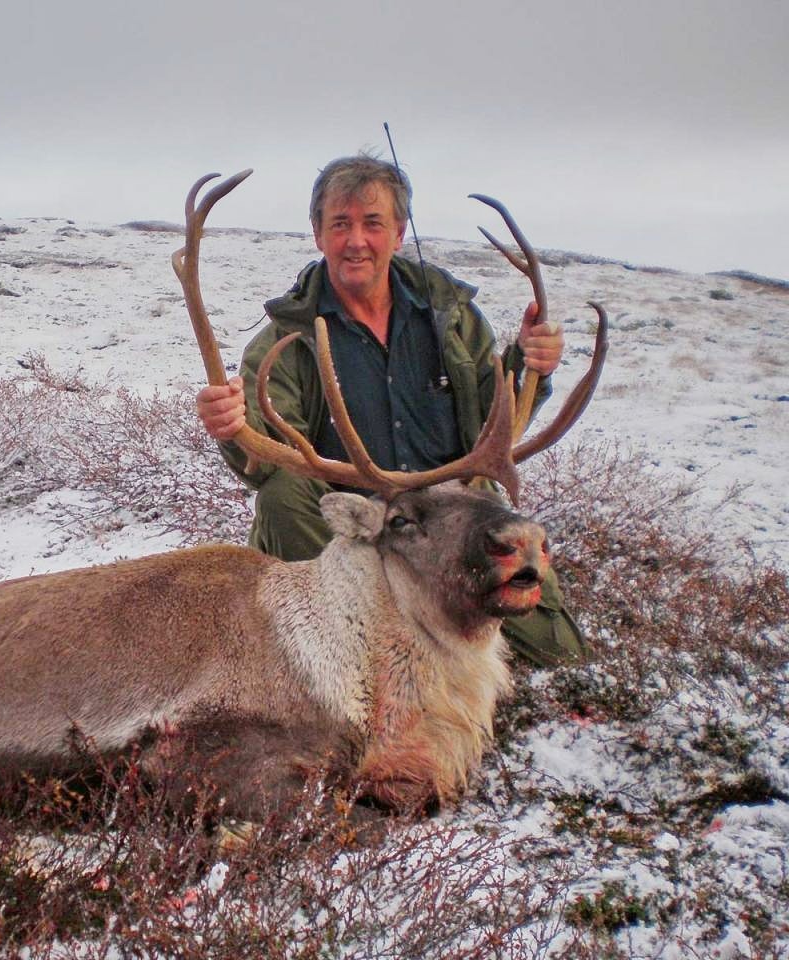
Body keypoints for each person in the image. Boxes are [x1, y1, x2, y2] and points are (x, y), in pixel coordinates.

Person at [195, 153, 585, 667]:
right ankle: (349, 655)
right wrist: (232, 427)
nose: (356, 241)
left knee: (561, 657)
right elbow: (266, 463)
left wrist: (530, 364)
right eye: (340, 224)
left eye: (373, 223)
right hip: (352, 529)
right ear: (318, 234)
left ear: (399, 233)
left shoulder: (453, 320)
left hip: (448, 515)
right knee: (283, 495)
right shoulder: (283, 344)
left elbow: (493, 421)